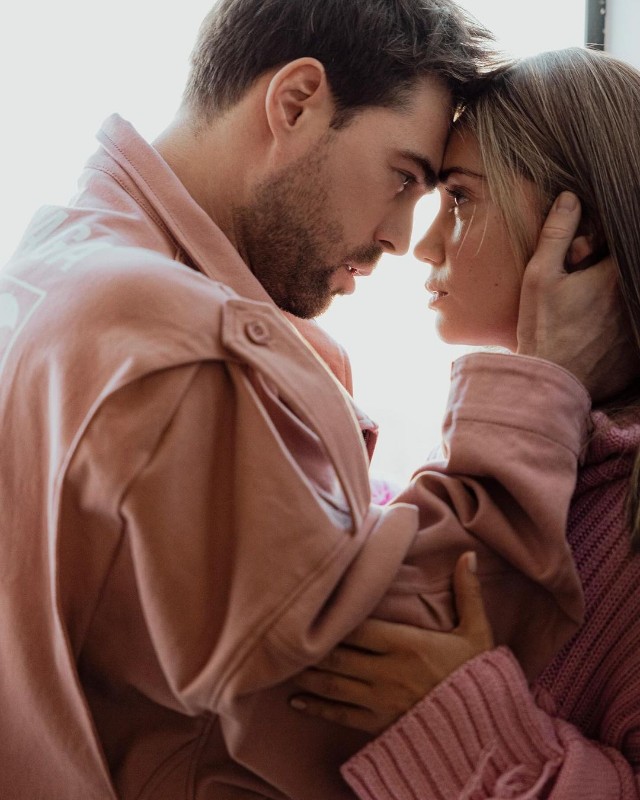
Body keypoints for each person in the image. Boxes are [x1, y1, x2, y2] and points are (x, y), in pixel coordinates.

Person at [0, 0, 631, 794]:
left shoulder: (66, 253)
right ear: (296, 102)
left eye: (450, 197)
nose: (402, 238)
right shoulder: (182, 343)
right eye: (405, 178)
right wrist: (540, 390)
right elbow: (370, 667)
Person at [291, 47, 640, 798]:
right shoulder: (563, 445)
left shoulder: (623, 504)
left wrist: (467, 718)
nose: (422, 245)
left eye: (458, 199)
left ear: (574, 231)